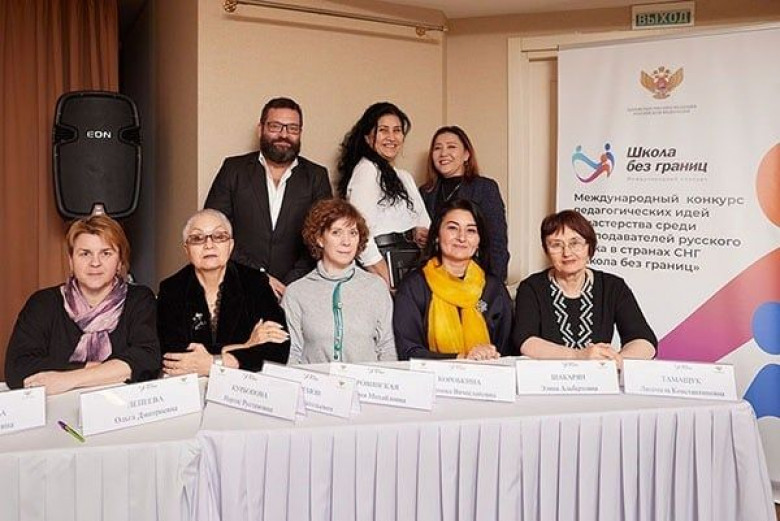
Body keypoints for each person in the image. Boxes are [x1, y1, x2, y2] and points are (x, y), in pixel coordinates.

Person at [4, 215, 160, 393]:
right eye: (85, 253)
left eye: (106, 253)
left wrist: (69, 379)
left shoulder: (139, 300)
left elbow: (147, 360)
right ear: (71, 261)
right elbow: (17, 369)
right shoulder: (43, 303)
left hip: (122, 406)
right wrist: (95, 368)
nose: (95, 263)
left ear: (119, 262)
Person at [205, 97, 332, 298]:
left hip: (296, 290)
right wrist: (258, 276)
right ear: (261, 129)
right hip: (238, 284)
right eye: (275, 126)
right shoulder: (233, 170)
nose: (284, 134)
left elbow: (322, 236)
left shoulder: (317, 176)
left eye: (292, 128)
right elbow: (214, 230)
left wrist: (289, 285)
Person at [513, 209, 657, 365]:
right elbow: (525, 341)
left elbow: (644, 341)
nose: (567, 252)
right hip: (548, 376)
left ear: (589, 246)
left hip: (600, 375)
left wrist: (616, 362)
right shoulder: (531, 287)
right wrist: (578, 356)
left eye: (575, 243)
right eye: (556, 245)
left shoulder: (613, 286)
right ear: (546, 251)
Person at [157, 209, 290, 376]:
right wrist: (246, 346)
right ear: (187, 249)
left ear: (230, 245)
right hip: (192, 386)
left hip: (244, 385)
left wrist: (218, 362)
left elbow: (279, 349)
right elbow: (173, 356)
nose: (209, 245)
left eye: (219, 236)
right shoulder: (171, 289)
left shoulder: (256, 283)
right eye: (197, 238)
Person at [394, 199, 514, 360]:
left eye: (471, 230)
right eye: (452, 228)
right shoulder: (414, 287)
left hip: (489, 372)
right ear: (437, 235)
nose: (462, 237)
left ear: (479, 240)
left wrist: (488, 356)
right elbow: (408, 351)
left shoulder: (494, 289)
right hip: (429, 375)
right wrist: (462, 358)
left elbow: (508, 351)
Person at [282, 199, 396, 364]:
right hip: (314, 380)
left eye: (353, 233)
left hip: (365, 380)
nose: (346, 242)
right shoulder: (296, 293)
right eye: (336, 232)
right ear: (319, 239)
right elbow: (292, 353)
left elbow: (387, 347)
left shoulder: (376, 287)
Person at [337, 102, 430, 288]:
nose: (391, 137)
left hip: (413, 264)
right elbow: (360, 232)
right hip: (383, 265)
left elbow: (425, 225)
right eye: (383, 130)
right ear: (368, 137)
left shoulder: (405, 177)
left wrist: (419, 233)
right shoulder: (367, 171)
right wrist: (384, 278)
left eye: (397, 130)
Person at [420, 126, 510, 281]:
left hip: (474, 277)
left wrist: (495, 286)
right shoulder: (425, 192)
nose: (443, 153)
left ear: (466, 154)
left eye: (451, 147)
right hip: (434, 276)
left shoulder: (484, 188)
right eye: (437, 148)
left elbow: (497, 242)